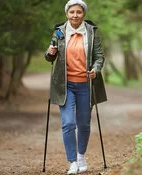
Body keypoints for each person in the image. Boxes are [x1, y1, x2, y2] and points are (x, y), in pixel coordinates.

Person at [45, 0, 107, 174]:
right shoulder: (59, 32)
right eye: (72, 12)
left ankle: (81, 156)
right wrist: (50, 53)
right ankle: (72, 161)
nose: (75, 15)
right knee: (68, 123)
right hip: (65, 85)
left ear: (83, 14)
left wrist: (95, 69)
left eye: (79, 12)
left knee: (84, 124)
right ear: (67, 14)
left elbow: (99, 57)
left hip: (86, 85)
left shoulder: (91, 32)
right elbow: (50, 57)